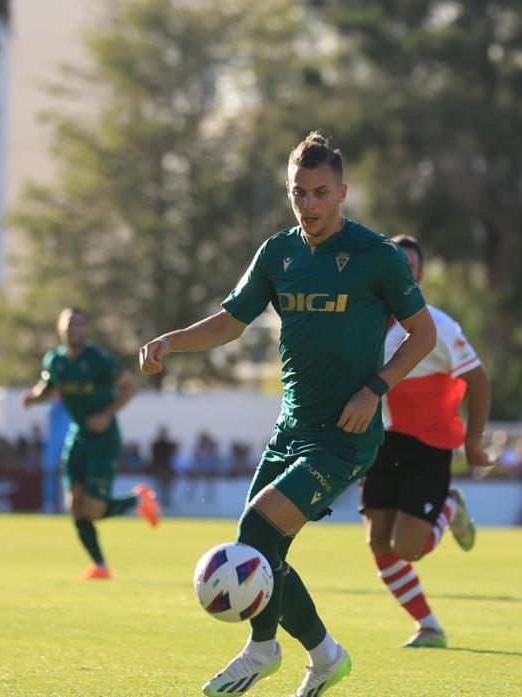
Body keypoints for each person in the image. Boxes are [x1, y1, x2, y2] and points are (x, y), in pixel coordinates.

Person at [138, 132, 435, 697]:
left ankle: (264, 650)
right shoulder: (279, 252)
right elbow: (230, 322)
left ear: (342, 192)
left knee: (253, 532)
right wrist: (170, 341)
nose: (310, 205)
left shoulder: (378, 255)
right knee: (261, 552)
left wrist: (375, 388)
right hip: (291, 428)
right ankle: (325, 657)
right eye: (299, 193)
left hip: (345, 438)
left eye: (321, 192)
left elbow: (423, 335)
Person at [359, 234, 491, 649]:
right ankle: (429, 626)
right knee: (379, 542)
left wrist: (474, 442)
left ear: (418, 275)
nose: (404, 272)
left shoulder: (439, 324)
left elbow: (479, 380)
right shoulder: (363, 323)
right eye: (397, 264)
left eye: (411, 266)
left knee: (408, 548)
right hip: (382, 443)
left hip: (429, 445)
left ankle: (450, 505)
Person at [22, 307, 160, 580]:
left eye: (80, 324)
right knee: (75, 506)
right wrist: (32, 398)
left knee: (93, 510)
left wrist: (106, 414)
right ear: (60, 328)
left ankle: (138, 501)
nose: (74, 328)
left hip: (104, 440)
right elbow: (46, 387)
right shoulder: (55, 360)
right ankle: (101, 566)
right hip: (78, 438)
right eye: (69, 323)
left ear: (86, 330)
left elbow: (130, 386)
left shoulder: (98, 359)